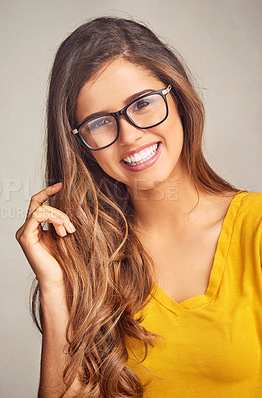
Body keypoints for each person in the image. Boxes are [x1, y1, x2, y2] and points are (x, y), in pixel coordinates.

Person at [15, 17, 262, 398]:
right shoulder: (88, 256)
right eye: (99, 122)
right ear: (80, 144)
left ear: (177, 98)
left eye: (142, 104)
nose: (129, 136)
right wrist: (56, 286)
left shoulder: (256, 228)